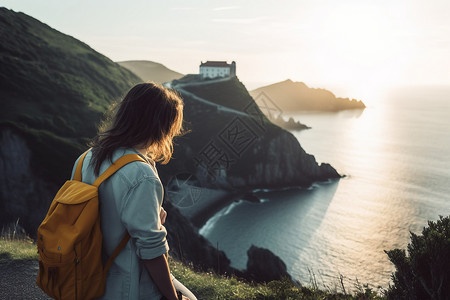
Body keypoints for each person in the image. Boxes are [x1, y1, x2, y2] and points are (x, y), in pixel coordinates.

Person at [70, 82, 195, 300]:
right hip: (125, 286)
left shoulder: (86, 158)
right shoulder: (141, 175)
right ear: (159, 126)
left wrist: (151, 211)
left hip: (84, 275)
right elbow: (152, 252)